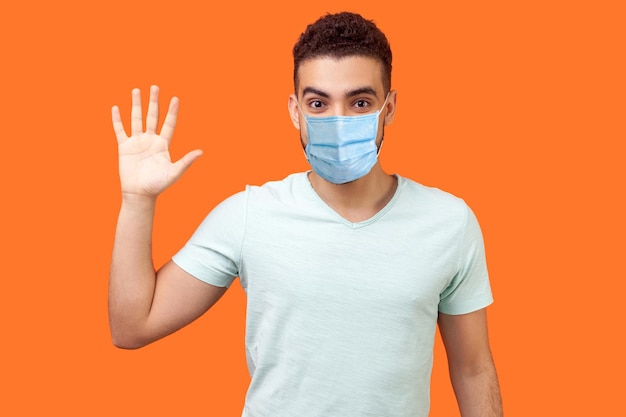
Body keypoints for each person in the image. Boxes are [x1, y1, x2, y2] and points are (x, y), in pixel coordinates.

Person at [109, 11, 503, 417]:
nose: (338, 120)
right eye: (318, 103)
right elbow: (132, 327)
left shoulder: (449, 223)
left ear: (389, 108)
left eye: (360, 102)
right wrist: (138, 200)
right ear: (296, 111)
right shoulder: (248, 215)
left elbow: (473, 369)